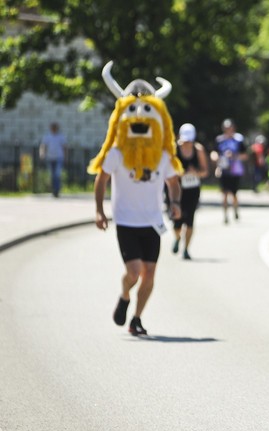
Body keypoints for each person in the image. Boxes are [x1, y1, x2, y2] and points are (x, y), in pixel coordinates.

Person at [88, 61, 182, 336]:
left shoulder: (163, 157)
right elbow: (101, 179)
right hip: (127, 221)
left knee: (149, 276)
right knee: (134, 273)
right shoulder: (116, 154)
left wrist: (174, 204)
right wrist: (98, 210)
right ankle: (124, 295)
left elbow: (173, 182)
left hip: (152, 222)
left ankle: (137, 319)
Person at [172, 123, 209, 260]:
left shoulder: (198, 149)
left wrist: (196, 173)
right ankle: (177, 238)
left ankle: (186, 249)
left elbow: (205, 172)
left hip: (192, 190)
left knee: (190, 220)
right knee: (176, 221)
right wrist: (179, 174)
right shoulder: (174, 149)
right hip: (176, 190)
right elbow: (167, 171)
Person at [210, 118, 247, 224]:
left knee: (234, 193)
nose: (228, 130)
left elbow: (245, 155)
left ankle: (235, 209)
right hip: (223, 170)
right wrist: (215, 158)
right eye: (226, 128)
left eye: (229, 128)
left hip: (235, 170)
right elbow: (214, 152)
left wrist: (234, 156)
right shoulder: (219, 140)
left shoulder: (239, 140)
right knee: (224, 193)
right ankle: (225, 215)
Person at [39, 122, 67, 197]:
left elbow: (64, 147)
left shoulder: (60, 136)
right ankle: (54, 190)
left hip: (59, 157)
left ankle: (57, 190)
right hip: (50, 157)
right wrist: (42, 154)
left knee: (57, 174)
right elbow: (43, 146)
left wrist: (65, 156)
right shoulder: (47, 136)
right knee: (52, 175)